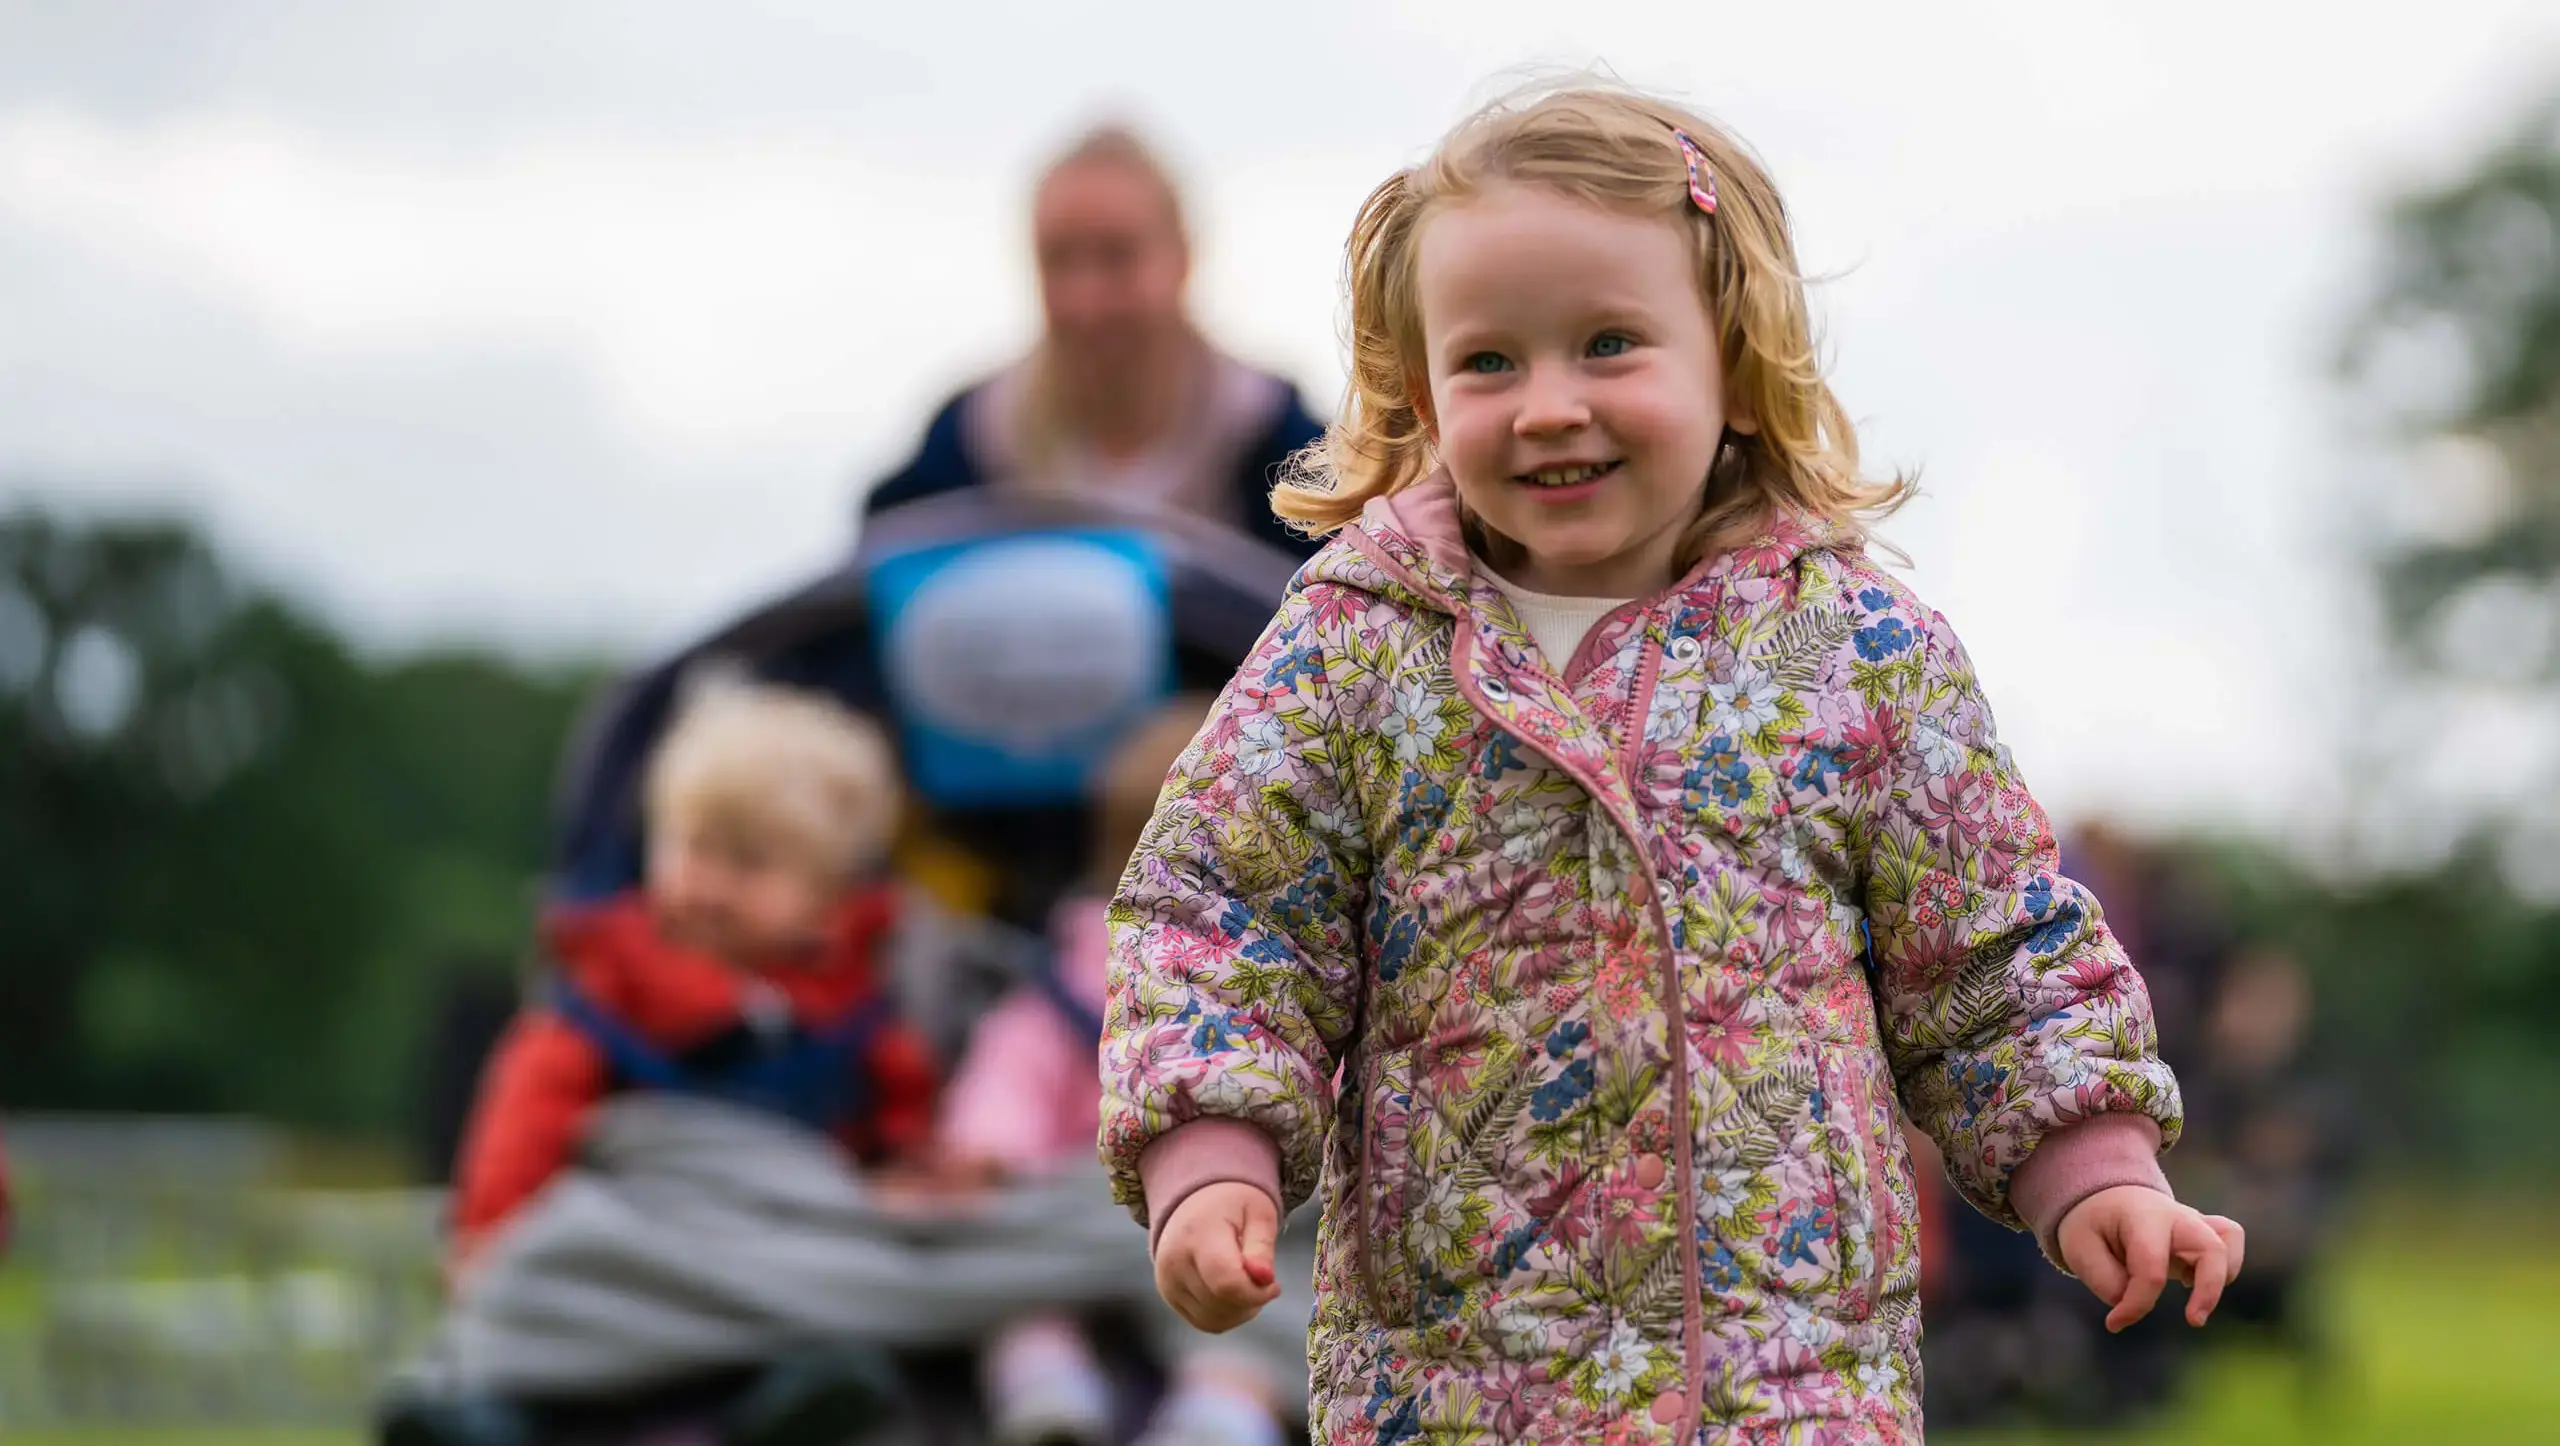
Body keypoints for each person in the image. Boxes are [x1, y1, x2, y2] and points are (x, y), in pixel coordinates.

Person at [1098, 84, 2246, 1443]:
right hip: (1464, 1383)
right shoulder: (1354, 646)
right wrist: (1210, 1154)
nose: (1548, 405)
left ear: (1733, 362)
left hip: (1783, 1380)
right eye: (1489, 363)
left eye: (1607, 345)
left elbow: (1989, 945)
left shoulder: (1851, 643)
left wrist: (2093, 1165)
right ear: (1421, 388)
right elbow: (1222, 915)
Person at [388, 678, 935, 1446]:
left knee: (851, 1279)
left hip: (777, 1257)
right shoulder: (612, 984)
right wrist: (490, 1232)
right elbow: (529, 1109)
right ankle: (491, 1404)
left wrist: (911, 1172)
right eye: (691, 850)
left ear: (829, 893)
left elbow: (897, 1115)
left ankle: (787, 1395)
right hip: (633, 1250)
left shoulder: (856, 1010)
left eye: (748, 864)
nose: (708, 886)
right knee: (542, 1279)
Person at [937, 696, 1301, 1446]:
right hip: (1077, 1202)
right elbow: (1016, 1069)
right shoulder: (1078, 982)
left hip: (1225, 1212)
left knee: (1263, 1297)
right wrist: (990, 1152)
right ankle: (1044, 1385)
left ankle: (1223, 1405)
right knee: (1011, 1285)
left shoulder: (1294, 980)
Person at [860, 124, 1325, 561]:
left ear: (1183, 257)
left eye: (1116, 257)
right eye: (1059, 260)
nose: (1085, 302)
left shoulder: (1287, 455)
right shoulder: (965, 450)